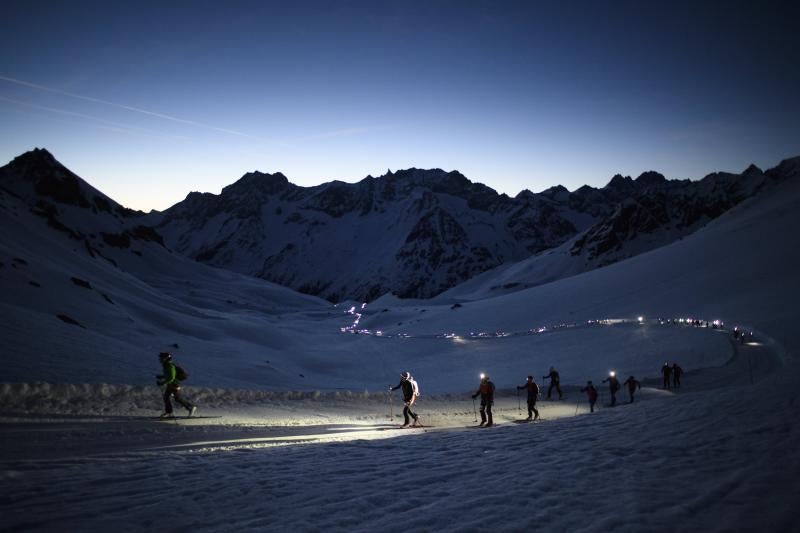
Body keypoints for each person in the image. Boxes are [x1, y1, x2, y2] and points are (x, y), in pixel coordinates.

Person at [156, 352, 196, 418]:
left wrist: (162, 383)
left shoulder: (170, 366)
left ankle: (190, 407)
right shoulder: (166, 365)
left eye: (161, 358)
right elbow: (168, 375)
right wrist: (162, 376)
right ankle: (169, 412)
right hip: (171, 384)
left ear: (166, 358)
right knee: (167, 397)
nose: (160, 359)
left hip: (175, 384)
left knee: (177, 398)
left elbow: (172, 377)